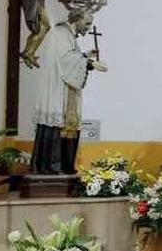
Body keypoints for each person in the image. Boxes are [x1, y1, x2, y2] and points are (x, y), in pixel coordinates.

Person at [31, 9, 108, 175]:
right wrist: (89, 63)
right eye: (86, 23)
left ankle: (63, 165)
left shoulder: (67, 35)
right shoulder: (61, 33)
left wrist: (84, 56)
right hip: (57, 88)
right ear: (77, 19)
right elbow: (65, 60)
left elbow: (69, 56)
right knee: (57, 122)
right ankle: (51, 167)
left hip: (64, 87)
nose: (88, 28)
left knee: (67, 122)